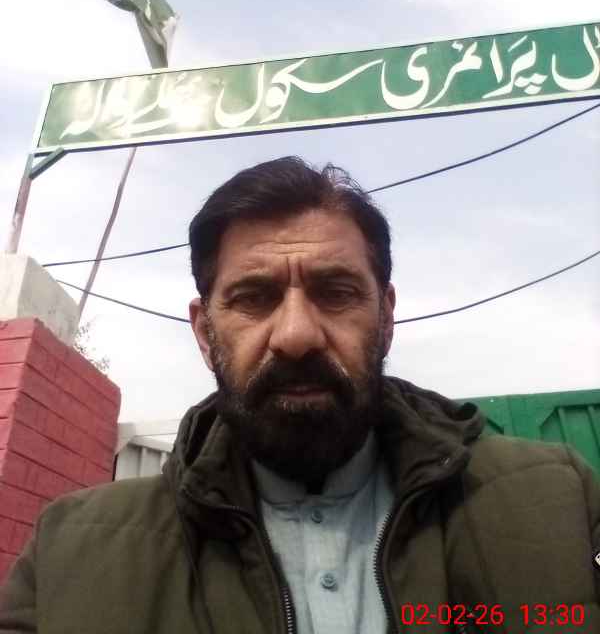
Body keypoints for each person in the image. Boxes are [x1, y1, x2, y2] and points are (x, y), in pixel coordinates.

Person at [1, 155, 599, 633]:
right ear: (205, 332)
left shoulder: (562, 506)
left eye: (335, 292)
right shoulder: (70, 552)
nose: (295, 336)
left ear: (386, 316)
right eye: (254, 298)